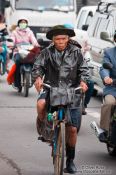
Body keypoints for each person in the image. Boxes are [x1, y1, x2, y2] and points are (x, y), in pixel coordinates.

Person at [32, 25, 89, 174]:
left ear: (68, 39)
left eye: (63, 38)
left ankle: (70, 160)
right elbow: (37, 67)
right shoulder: (46, 52)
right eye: (57, 39)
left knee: (72, 130)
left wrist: (83, 81)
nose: (61, 41)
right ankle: (43, 125)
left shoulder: (77, 52)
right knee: (41, 104)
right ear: (53, 40)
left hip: (72, 91)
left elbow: (84, 69)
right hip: (51, 88)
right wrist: (38, 78)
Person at [91, 31, 116, 141]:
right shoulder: (109, 52)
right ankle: (104, 130)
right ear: (115, 39)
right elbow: (104, 68)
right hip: (113, 88)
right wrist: (106, 77)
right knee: (110, 103)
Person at [10, 18, 40, 89]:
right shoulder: (14, 32)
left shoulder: (30, 32)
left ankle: (34, 79)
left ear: (26, 24)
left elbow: (33, 40)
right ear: (18, 23)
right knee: (17, 62)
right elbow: (11, 40)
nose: (23, 24)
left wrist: (37, 45)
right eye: (21, 22)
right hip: (18, 52)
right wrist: (11, 45)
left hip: (28, 52)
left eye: (24, 22)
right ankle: (17, 82)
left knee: (34, 62)